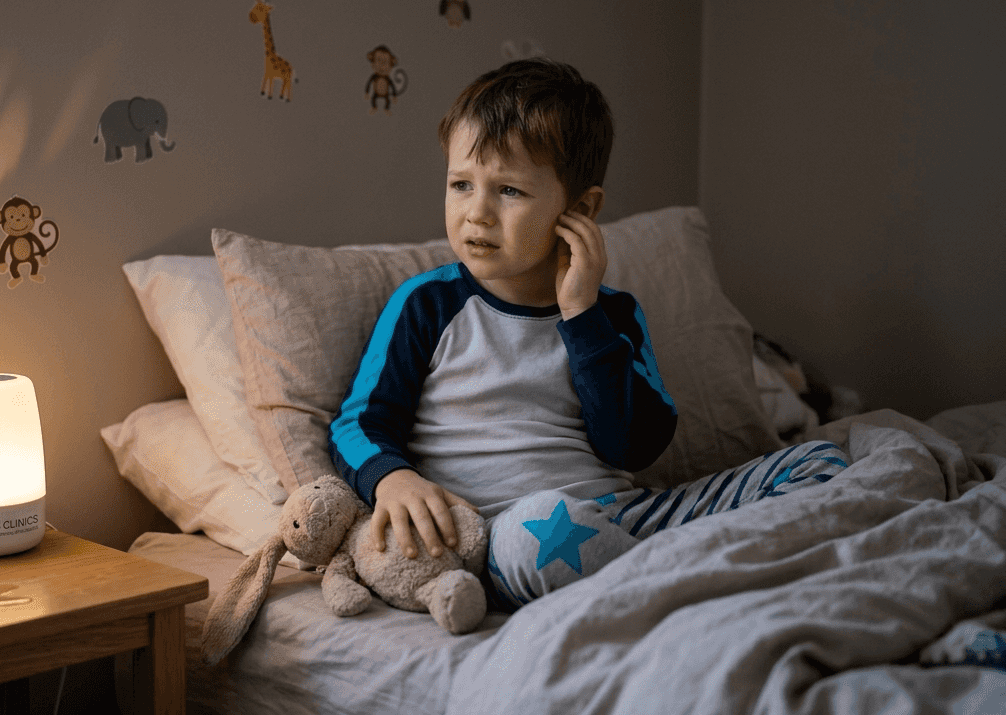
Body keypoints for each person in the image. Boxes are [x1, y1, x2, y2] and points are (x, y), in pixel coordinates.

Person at [328, 59, 849, 611]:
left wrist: (581, 315)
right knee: (540, 531)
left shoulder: (612, 315)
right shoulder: (426, 304)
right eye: (461, 184)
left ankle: (673, 574)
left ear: (579, 209)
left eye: (509, 190)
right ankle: (688, 585)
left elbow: (633, 446)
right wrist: (393, 479)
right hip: (508, 535)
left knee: (819, 460)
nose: (476, 212)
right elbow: (358, 424)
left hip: (628, 517)